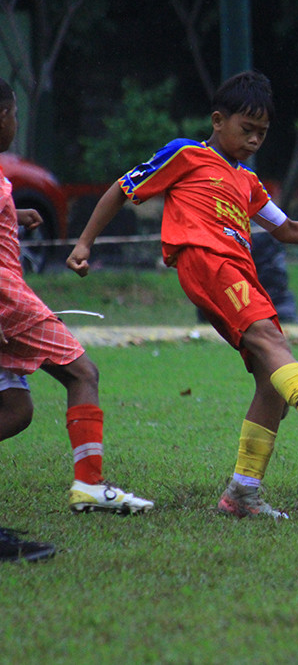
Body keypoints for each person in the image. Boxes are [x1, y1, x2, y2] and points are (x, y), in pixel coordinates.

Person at [67, 70, 298, 520]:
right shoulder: (186, 154)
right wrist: (84, 242)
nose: (254, 140)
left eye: (262, 134)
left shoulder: (248, 181)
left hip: (239, 273)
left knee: (271, 374)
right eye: (246, 129)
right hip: (205, 260)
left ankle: (243, 492)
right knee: (272, 341)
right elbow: (123, 188)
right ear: (217, 120)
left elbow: (283, 228)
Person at [0, 77, 153, 515]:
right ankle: (90, 485)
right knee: (82, 372)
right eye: (13, 114)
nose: (15, 123)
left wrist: (14, 214)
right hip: (7, 300)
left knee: (16, 409)